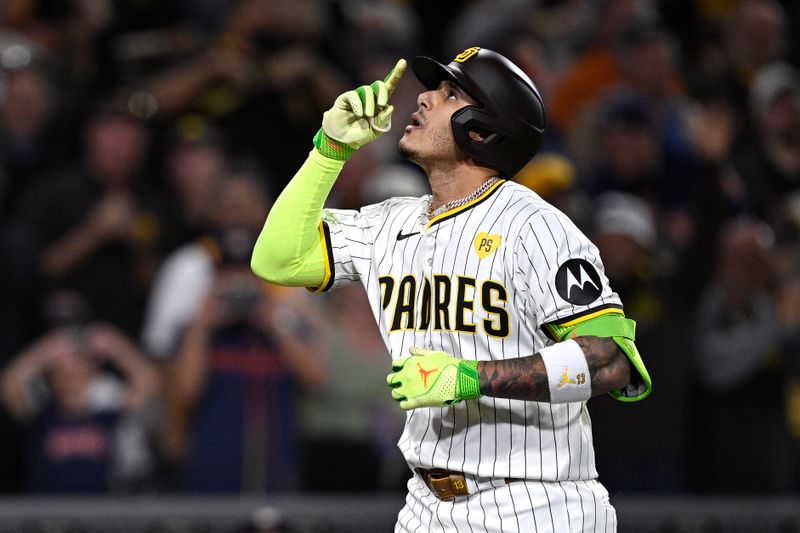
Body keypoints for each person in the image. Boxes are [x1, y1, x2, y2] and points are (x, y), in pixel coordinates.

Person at [251, 47, 652, 531]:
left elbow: (608, 360)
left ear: (482, 130)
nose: (423, 98)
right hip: (429, 504)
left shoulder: (538, 229)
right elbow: (277, 258)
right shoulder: (389, 224)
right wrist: (330, 150)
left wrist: (467, 377)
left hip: (538, 505)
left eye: (449, 94)